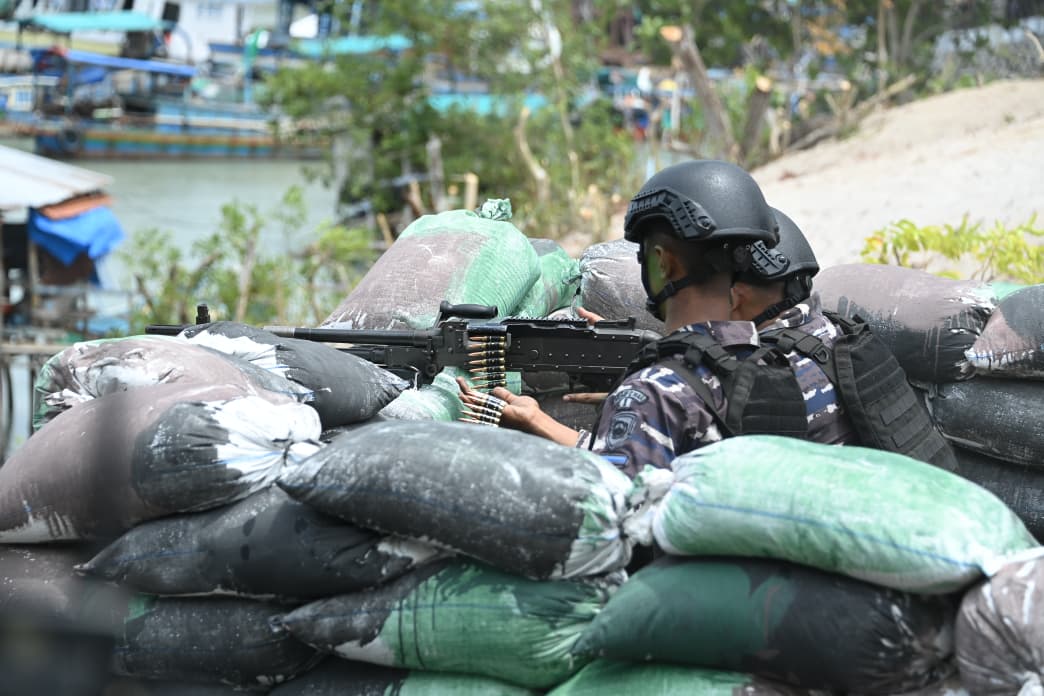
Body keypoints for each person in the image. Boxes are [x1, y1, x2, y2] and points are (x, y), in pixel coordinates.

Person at [460, 159, 852, 478]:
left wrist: (535, 420)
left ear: (662, 263)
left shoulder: (657, 393)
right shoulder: (825, 343)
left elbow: (611, 507)